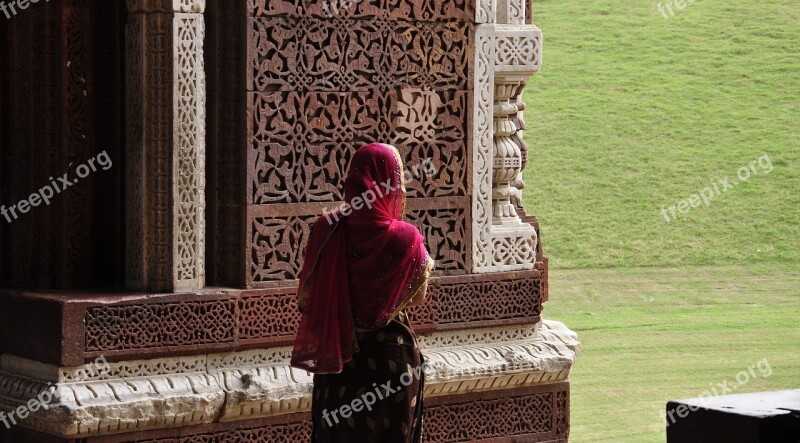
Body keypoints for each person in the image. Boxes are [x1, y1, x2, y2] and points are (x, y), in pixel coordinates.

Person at [291, 143, 435, 442]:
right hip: (391, 365)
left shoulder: (326, 229)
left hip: (338, 364)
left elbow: (309, 298)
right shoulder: (405, 238)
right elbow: (418, 297)